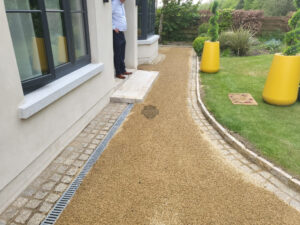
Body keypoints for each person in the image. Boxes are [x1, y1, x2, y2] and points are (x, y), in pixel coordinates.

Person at [112, 0, 132, 79]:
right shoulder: (114, 3)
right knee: (118, 53)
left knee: (122, 53)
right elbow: (106, 16)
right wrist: (113, 27)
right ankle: (118, 72)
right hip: (116, 33)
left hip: (121, 32)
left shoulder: (121, 4)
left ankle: (123, 70)